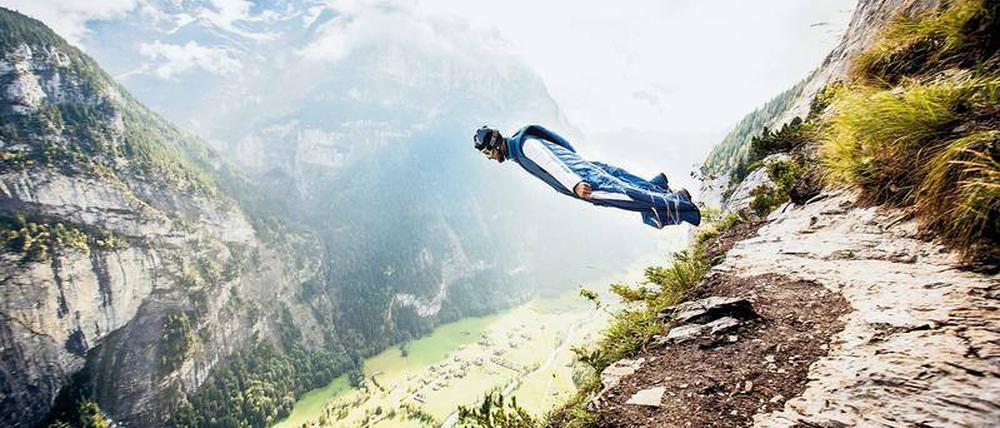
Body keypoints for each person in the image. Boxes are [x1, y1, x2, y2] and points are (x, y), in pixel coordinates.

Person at [473, 124, 701, 228]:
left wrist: (575, 184)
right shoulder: (519, 148)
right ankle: (661, 192)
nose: (489, 157)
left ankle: (682, 205)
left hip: (586, 180)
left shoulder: (525, 146)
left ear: (493, 145)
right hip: (584, 172)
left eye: (486, 152)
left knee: (627, 197)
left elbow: (551, 163)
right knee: (625, 189)